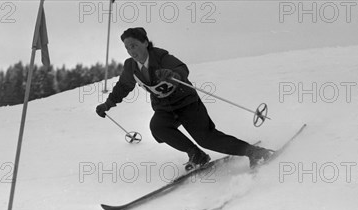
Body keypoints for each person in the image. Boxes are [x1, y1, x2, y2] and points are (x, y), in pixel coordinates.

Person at [96, 27, 273, 168]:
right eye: (127, 47)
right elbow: (123, 87)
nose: (130, 51)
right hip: (165, 107)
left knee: (207, 139)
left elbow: (182, 69)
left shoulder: (161, 56)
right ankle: (197, 155)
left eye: (133, 45)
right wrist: (107, 104)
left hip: (186, 102)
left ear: (145, 42)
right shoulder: (130, 67)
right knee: (157, 126)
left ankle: (255, 152)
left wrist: (173, 74)